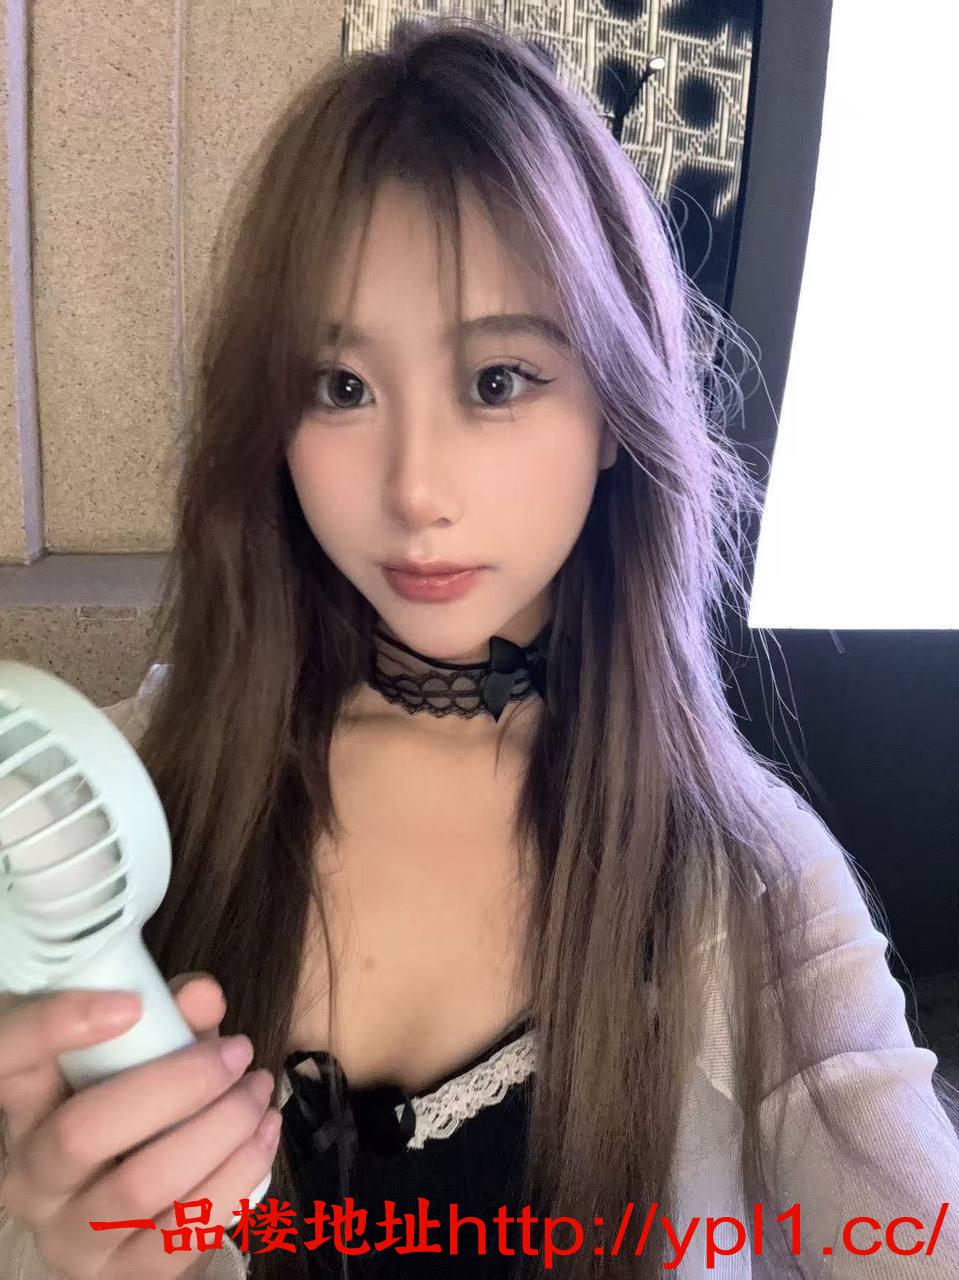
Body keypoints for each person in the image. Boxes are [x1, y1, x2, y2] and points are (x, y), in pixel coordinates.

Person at [1, 15, 957, 1280]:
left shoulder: (748, 888)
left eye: (497, 379)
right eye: (341, 388)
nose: (415, 489)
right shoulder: (94, 812)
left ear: (614, 410)